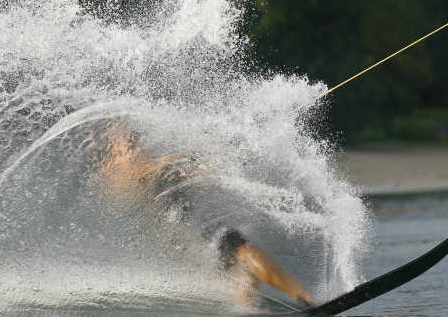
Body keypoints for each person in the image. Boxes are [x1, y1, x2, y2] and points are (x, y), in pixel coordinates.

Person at [97, 121, 314, 307]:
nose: (130, 139)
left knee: (244, 274)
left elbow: (192, 173)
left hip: (193, 236)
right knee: (247, 254)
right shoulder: (122, 171)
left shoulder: (141, 161)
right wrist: (183, 161)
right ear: (109, 142)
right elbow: (140, 180)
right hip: (190, 237)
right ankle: (306, 300)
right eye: (122, 136)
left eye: (131, 134)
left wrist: (202, 160)